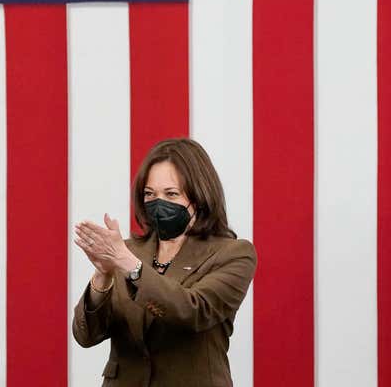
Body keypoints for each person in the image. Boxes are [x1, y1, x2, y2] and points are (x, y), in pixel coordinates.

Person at [72, 138, 257, 387]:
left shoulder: (234, 254)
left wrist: (128, 265)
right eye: (150, 194)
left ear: (199, 197)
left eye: (171, 194)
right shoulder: (127, 250)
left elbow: (193, 311)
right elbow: (86, 335)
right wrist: (102, 276)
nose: (158, 203)